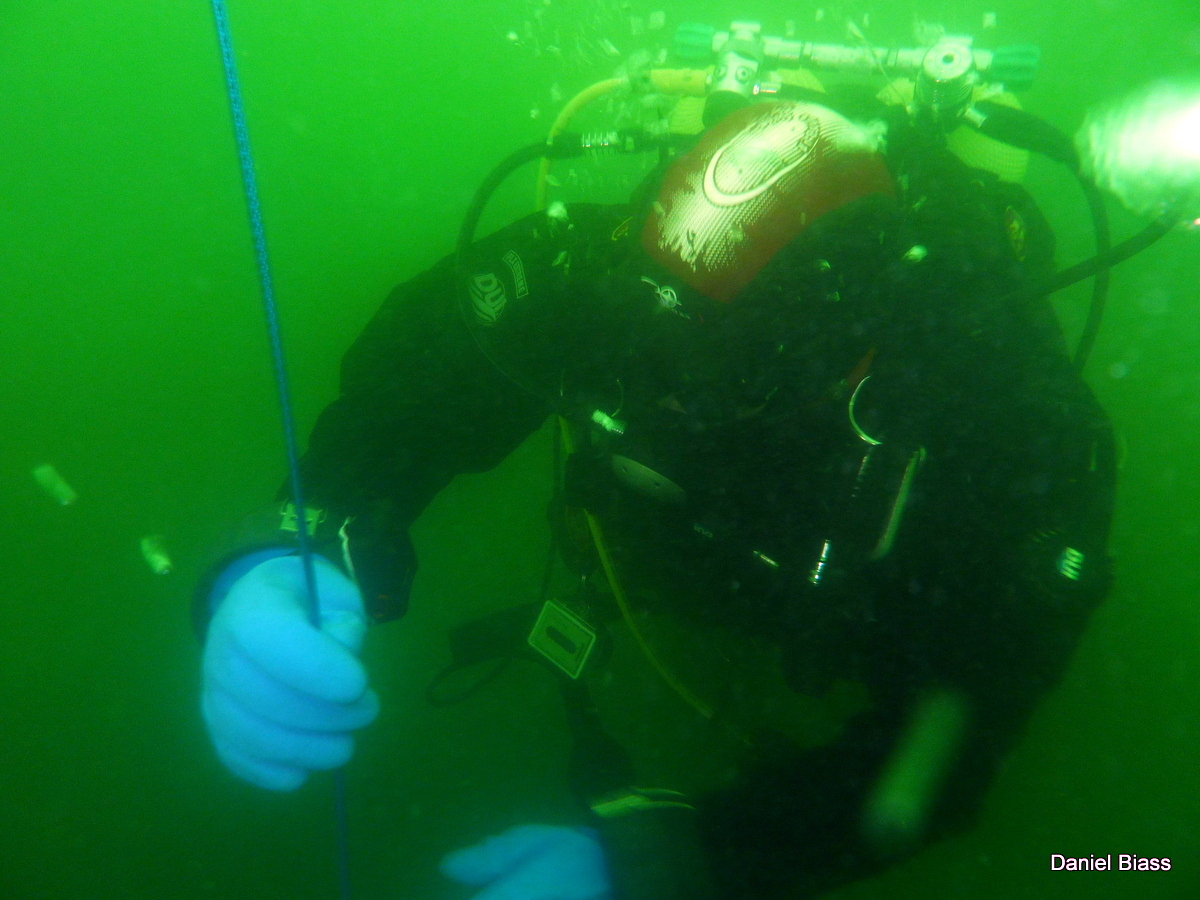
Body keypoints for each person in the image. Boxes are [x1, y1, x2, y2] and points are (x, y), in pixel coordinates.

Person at [195, 90, 1116, 900]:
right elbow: (418, 374)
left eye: (718, 371)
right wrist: (297, 538)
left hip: (836, 611)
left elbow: (953, 741)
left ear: (848, 353)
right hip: (651, 573)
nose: (659, 403)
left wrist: (690, 859)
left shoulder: (1008, 429)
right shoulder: (608, 268)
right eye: (643, 347)